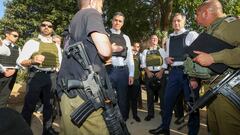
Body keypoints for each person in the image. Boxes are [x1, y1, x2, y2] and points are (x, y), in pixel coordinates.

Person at [56, 0, 115, 134]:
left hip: (68, 96)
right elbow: (105, 51)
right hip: (84, 97)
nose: (102, 9)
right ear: (93, 2)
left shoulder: (74, 22)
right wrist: (110, 46)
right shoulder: (91, 13)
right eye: (102, 5)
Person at [149, 13, 200, 135]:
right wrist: (166, 59)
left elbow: (198, 55)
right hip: (174, 73)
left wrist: (194, 77)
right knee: (167, 101)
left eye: (178, 21)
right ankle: (164, 127)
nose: (176, 23)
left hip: (189, 73)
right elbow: (167, 56)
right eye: (174, 21)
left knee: (192, 105)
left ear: (184, 21)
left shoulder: (192, 34)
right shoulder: (170, 38)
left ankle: (192, 132)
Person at [194, 1, 240, 135]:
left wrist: (214, 58)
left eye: (197, 14)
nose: (196, 18)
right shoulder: (210, 30)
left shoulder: (232, 24)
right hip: (212, 91)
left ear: (205, 12)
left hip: (228, 91)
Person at [17, 21, 62, 135]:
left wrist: (58, 72)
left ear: (52, 29)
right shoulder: (32, 42)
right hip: (36, 76)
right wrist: (32, 61)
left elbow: (59, 62)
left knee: (49, 106)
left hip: (52, 77)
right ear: (40, 27)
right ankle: (24, 131)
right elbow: (20, 61)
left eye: (50, 26)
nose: (46, 27)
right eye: (44, 25)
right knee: (29, 105)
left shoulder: (56, 45)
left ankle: (47, 130)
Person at [106, 11, 134, 121]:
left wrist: (131, 74)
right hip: (109, 71)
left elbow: (130, 57)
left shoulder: (126, 37)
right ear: (112, 21)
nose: (117, 22)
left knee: (123, 98)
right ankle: (110, 119)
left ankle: (123, 120)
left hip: (123, 71)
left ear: (122, 23)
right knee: (108, 97)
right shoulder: (105, 35)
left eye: (120, 21)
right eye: (115, 20)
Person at [141, 34, 167, 121]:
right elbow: (143, 63)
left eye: (155, 38)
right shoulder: (145, 51)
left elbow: (165, 62)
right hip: (149, 75)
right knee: (150, 95)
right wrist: (147, 72)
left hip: (160, 74)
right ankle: (150, 114)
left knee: (162, 95)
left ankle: (164, 112)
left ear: (157, 40)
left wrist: (161, 72)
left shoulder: (162, 50)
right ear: (150, 40)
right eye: (152, 38)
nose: (154, 40)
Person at [0, 28, 20, 108]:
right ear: (7, 35)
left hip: (12, 74)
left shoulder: (17, 48)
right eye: (15, 35)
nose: (16, 38)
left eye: (18, 36)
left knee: (4, 97)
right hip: (1, 72)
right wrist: (3, 70)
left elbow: (19, 61)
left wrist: (14, 69)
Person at [128, 42, 141, 122]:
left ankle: (135, 115)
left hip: (136, 80)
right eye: (134, 46)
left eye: (138, 46)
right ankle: (125, 115)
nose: (136, 48)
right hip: (126, 79)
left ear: (139, 48)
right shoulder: (128, 55)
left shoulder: (141, 56)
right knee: (126, 98)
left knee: (134, 99)